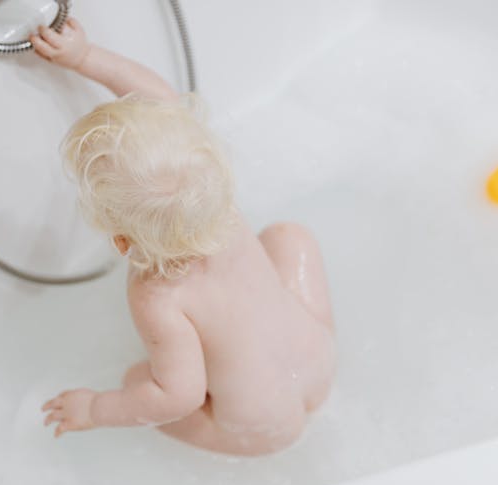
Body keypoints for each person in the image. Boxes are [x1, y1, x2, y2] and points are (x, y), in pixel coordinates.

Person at [31, 18, 335, 456]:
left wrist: (97, 409)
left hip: (259, 427)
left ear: (121, 240)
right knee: (289, 237)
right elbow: (158, 96)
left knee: (138, 381)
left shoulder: (156, 295)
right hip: (317, 357)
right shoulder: (215, 203)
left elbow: (179, 396)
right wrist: (86, 57)